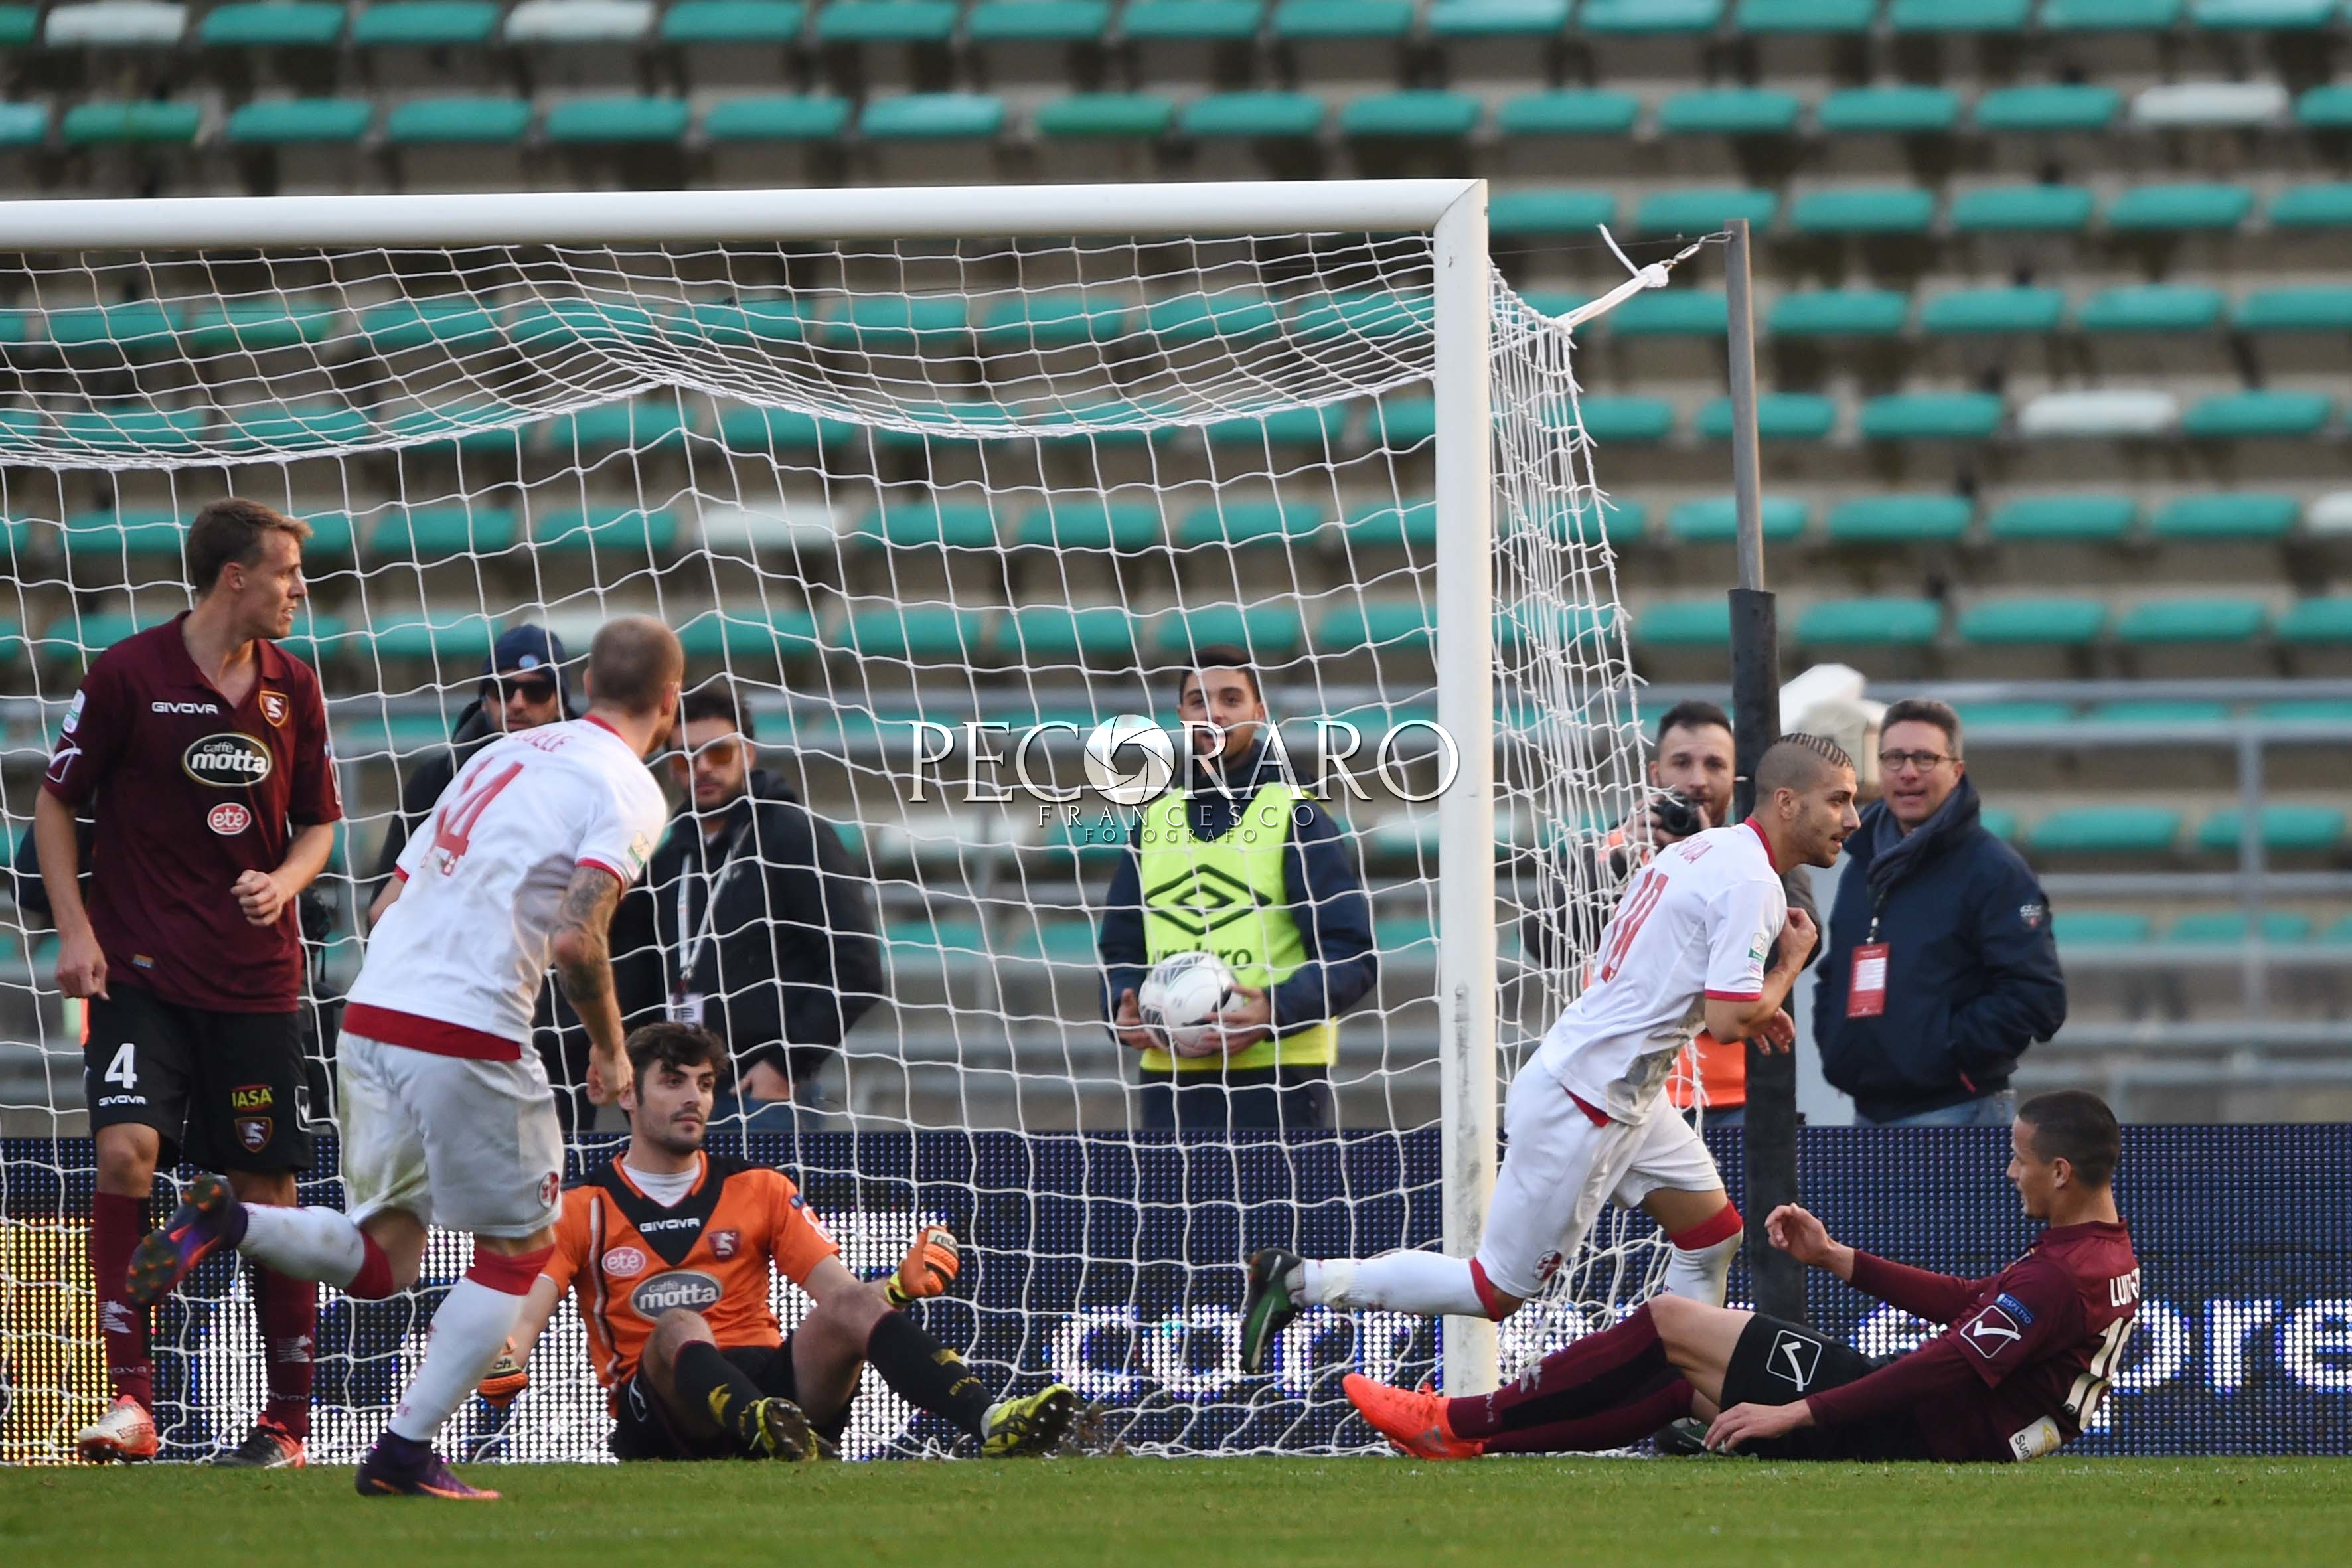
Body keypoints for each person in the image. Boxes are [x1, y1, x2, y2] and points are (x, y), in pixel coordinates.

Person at [125, 616, 683, 1500]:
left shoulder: (497, 761)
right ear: (670, 701)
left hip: (373, 1012)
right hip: (468, 1026)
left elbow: (387, 902)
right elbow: (579, 939)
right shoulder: (626, 785)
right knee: (522, 1248)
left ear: (581, 686)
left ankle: (231, 1222)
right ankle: (402, 1451)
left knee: (387, 1258)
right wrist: (611, 1053)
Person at [1238, 736, 1861, 1372]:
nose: (1852, 818)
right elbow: (1730, 1023)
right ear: (1786, 802)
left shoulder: (1710, 847)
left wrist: (1750, 999)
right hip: (1586, 1100)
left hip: (1621, 1089)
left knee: (1711, 1238)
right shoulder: (1751, 882)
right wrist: (1785, 968)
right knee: (1494, 1290)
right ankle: (1302, 1282)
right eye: (1837, 800)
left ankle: (1684, 1399)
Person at [1344, 1089, 2141, 1465]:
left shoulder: (2060, 1276)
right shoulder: (2103, 1255)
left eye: (2021, 1158)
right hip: (1968, 1436)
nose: (2011, 1171)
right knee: (1686, 1388)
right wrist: (1840, 1260)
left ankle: (1455, 1417)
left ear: (2061, 1171)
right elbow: (1972, 1307)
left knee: (1669, 1322)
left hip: (1929, 1434)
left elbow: (1941, 1363)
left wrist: (1797, 1412)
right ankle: (1472, 1443)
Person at [40, 498, 342, 1468]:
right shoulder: (129, 673)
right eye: (289, 570)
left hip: (255, 985)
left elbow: (319, 822)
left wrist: (285, 881)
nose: (301, 588)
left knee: (266, 1186)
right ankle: (133, 1403)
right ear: (235, 578)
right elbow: (55, 804)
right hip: (138, 973)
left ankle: (286, 1425)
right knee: (125, 1153)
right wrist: (77, 931)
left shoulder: (294, 684)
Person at [479, 1022, 1077, 1460]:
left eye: (706, 1083)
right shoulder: (583, 1207)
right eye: (672, 1082)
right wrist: (506, 1358)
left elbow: (841, 1298)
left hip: (776, 1391)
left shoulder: (761, 1188)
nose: (695, 1097)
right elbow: (525, 1322)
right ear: (628, 1095)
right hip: (664, 1417)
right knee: (679, 1326)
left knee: (851, 1305)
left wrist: (896, 1289)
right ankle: (762, 1428)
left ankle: (992, 1420)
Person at [1098, 645, 1379, 1133]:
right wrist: (1120, 1006)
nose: (1215, 714)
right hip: (1171, 1078)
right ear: (1181, 715)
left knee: (1277, 1213)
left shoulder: (1297, 814)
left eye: (1231, 699)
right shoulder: (1154, 821)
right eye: (1199, 701)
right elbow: (1120, 946)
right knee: (1173, 1212)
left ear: (1258, 711)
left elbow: (1351, 952)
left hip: (1279, 1075)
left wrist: (1274, 1009)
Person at [1525, 699, 1821, 1130]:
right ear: (1655, 774)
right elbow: (1542, 941)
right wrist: (1616, 864)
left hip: (1734, 1094)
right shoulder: (1609, 849)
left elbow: (1803, 942)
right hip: (1619, 1089)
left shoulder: (1758, 857)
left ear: (1736, 778)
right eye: (1681, 763)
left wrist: (1714, 862)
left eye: (1714, 765)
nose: (1697, 780)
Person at [610, 678, 882, 1126]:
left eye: (718, 753)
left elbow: (857, 967)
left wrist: (787, 1064)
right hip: (675, 1100)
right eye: (683, 758)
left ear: (748, 755)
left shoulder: (793, 835)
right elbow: (636, 972)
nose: (701, 769)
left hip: (759, 1097)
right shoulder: (666, 858)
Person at [366, 625, 595, 1131]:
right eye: (499, 690)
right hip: (453, 1015)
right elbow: (387, 902)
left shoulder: (596, 775)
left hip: (559, 1024)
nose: (516, 703)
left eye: (535, 690)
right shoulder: (440, 778)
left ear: (561, 694)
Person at [1816, 698, 2067, 1127]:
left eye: (1925, 758)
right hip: (1866, 1115)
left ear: (1956, 770)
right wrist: (1840, 1045)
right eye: (1894, 758)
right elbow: (1836, 972)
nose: (1908, 772)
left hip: (1958, 1112)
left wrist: (1942, 1050)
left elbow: (2036, 1000)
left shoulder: (1993, 872)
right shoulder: (1860, 864)